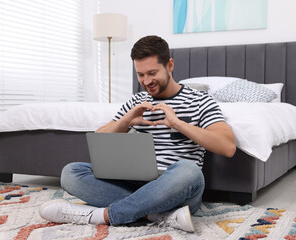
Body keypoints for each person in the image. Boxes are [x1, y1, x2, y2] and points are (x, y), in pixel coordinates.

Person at [39, 35, 236, 232]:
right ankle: (156, 214)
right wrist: (126, 121)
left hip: (177, 188)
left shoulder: (200, 101)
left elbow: (227, 147)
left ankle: (102, 215)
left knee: (189, 170)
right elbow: (98, 140)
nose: (147, 81)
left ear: (170, 65)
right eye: (140, 75)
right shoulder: (136, 102)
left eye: (152, 73)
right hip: (136, 184)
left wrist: (177, 123)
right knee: (71, 172)